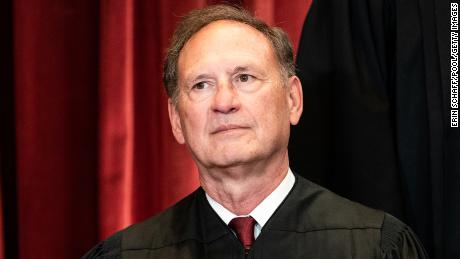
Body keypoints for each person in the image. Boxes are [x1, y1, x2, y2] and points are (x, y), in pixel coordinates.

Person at [83, 4, 427, 259]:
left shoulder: (377, 246)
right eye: (201, 85)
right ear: (176, 119)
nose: (224, 101)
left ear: (293, 99)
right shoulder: (126, 255)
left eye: (244, 78)